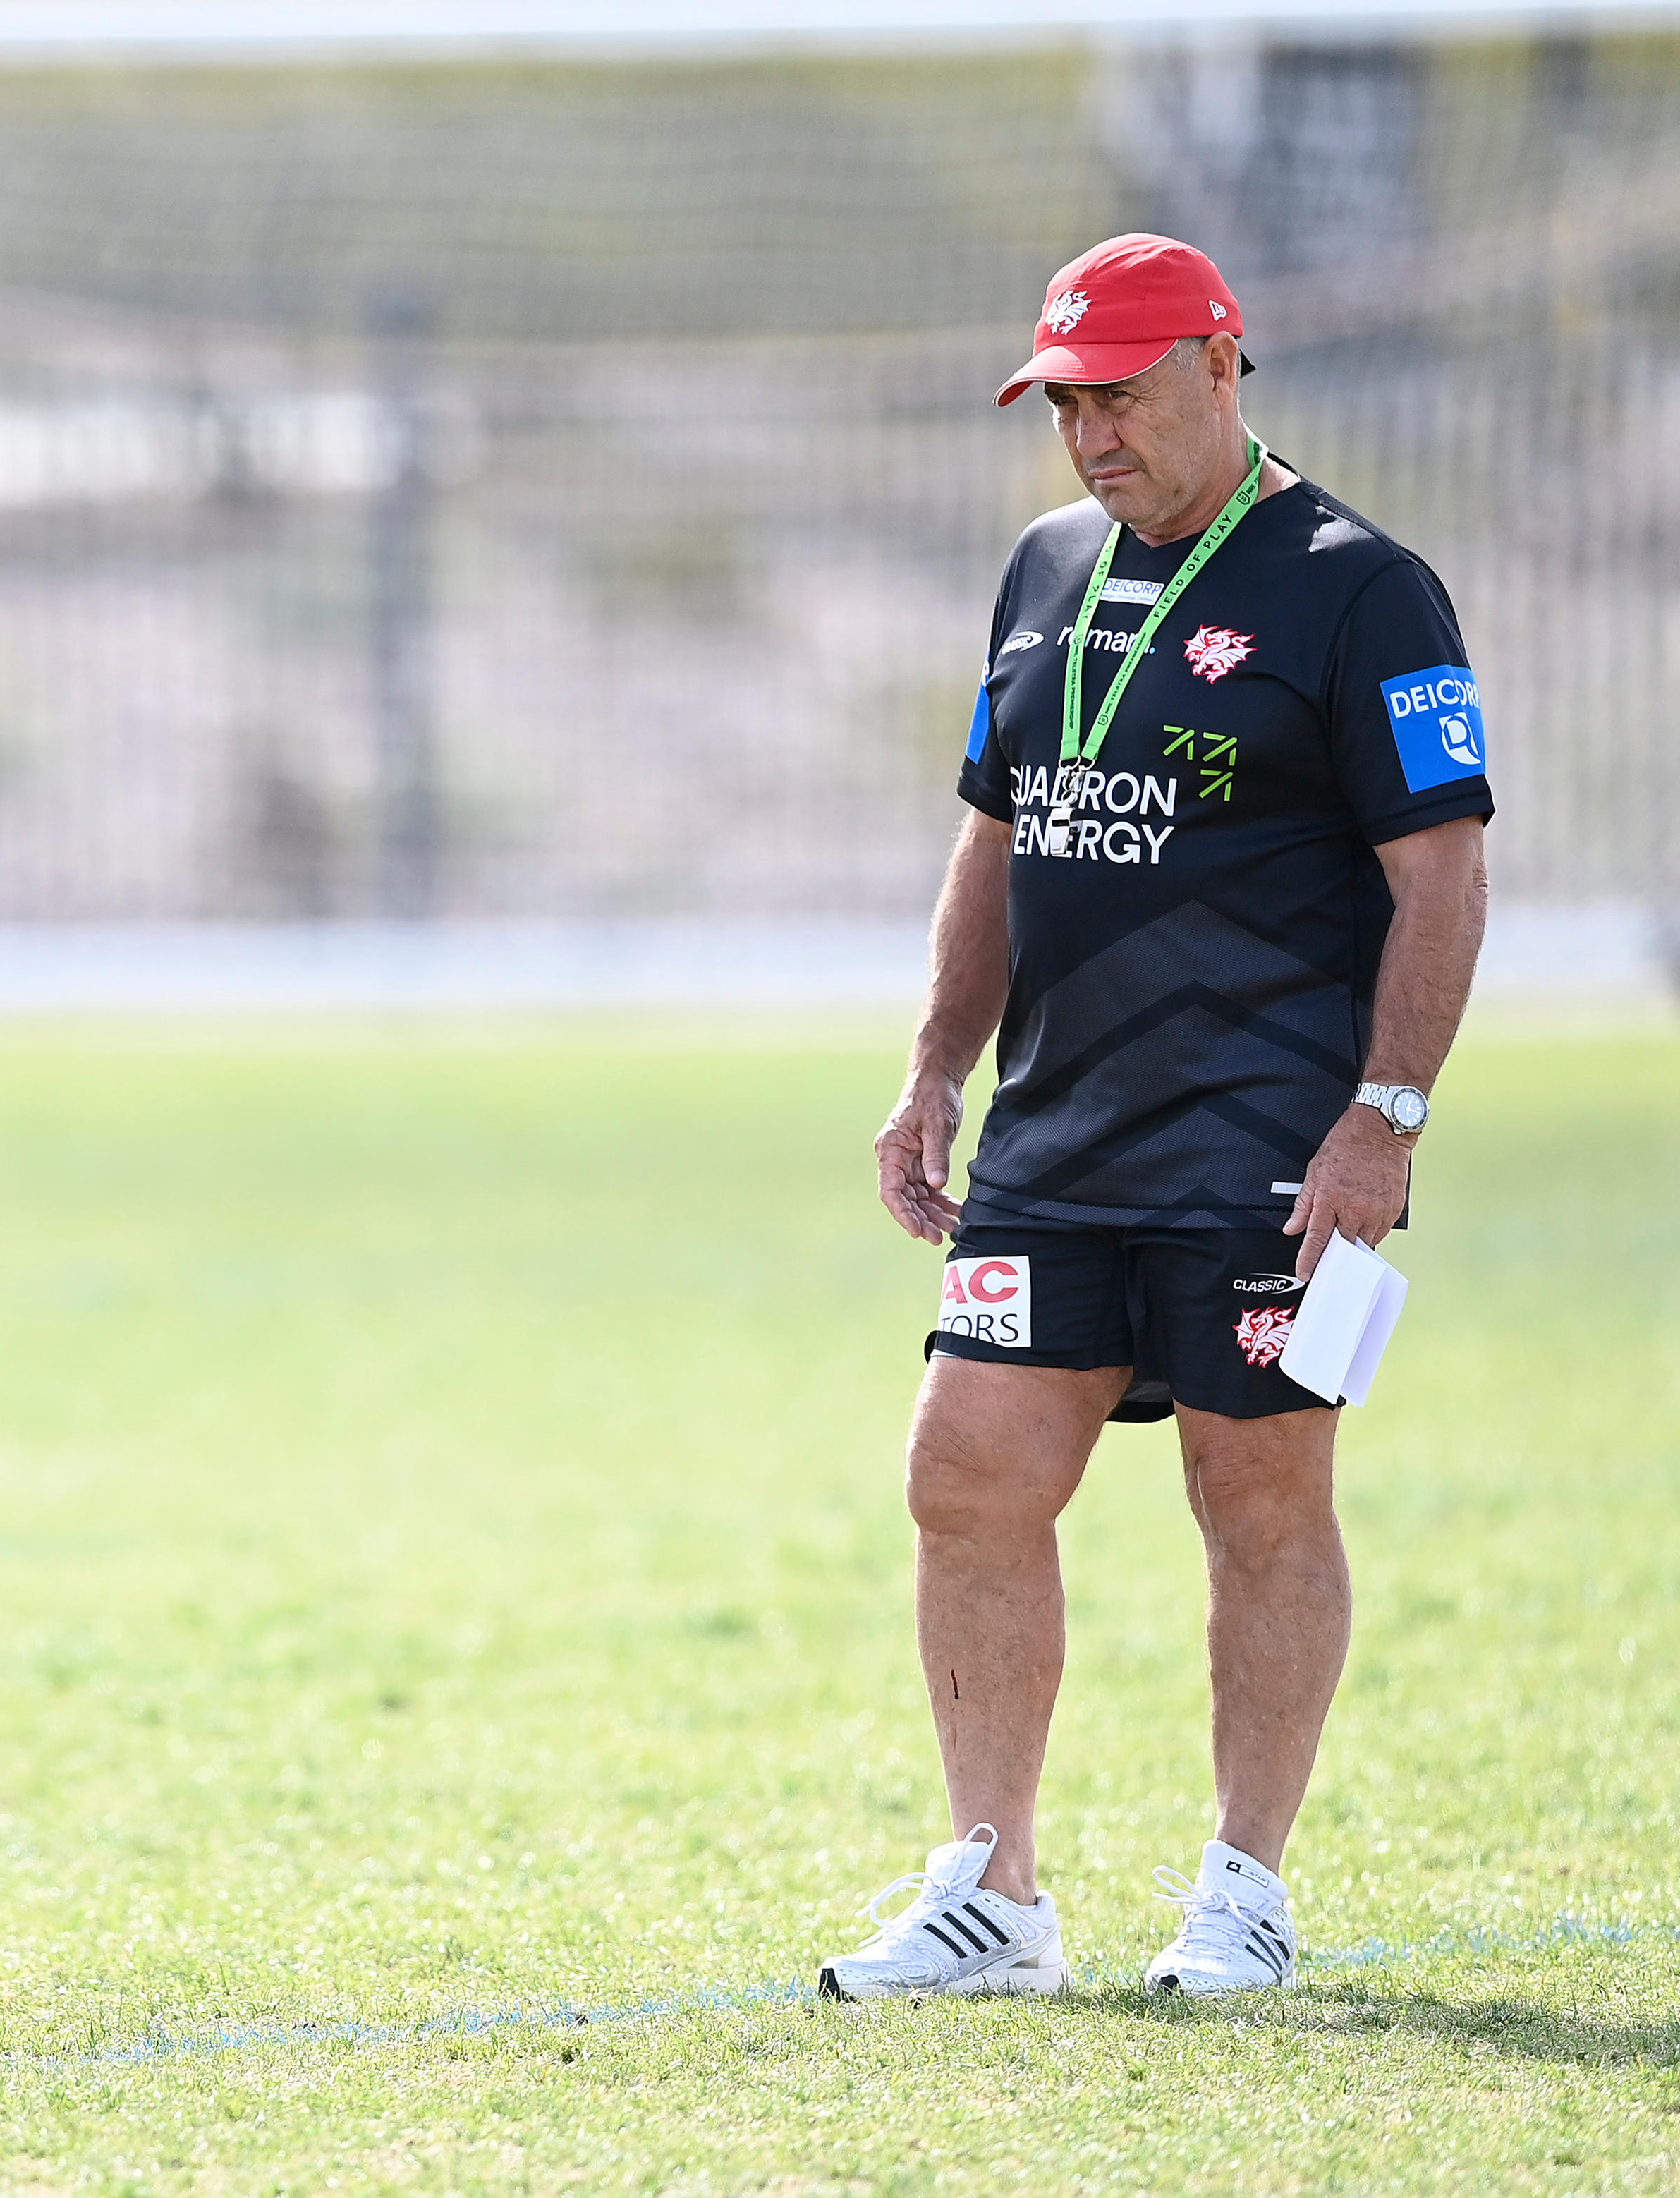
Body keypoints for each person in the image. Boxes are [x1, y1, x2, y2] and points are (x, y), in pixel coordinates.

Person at [820, 236, 1492, 2000]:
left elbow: (1441, 880)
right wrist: (933, 1065)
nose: (1091, 435)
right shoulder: (1042, 568)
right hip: (1057, 1137)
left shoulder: (1365, 590)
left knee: (1256, 1501)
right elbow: (998, 828)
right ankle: (993, 1896)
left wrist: (1386, 1117)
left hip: (1271, 1147)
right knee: (961, 1475)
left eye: (1120, 392)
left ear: (1220, 363)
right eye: (1063, 403)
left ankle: (1243, 1890)